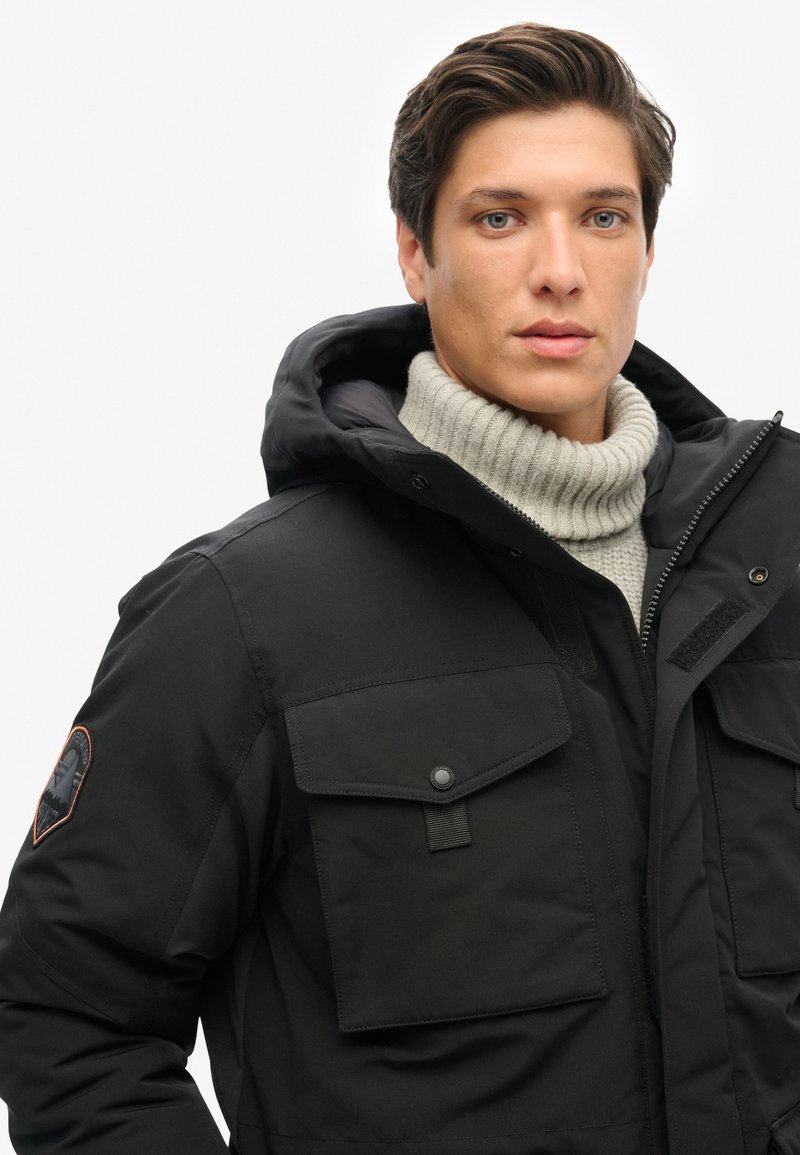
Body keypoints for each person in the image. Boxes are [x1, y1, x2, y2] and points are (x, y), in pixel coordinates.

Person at [1, 20, 798, 1155]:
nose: (560, 269)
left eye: (602, 216)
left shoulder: (778, 561)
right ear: (414, 254)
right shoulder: (243, 612)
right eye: (499, 218)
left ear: (647, 249)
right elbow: (70, 1020)